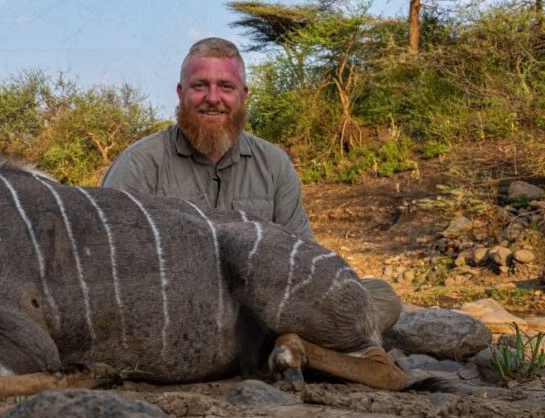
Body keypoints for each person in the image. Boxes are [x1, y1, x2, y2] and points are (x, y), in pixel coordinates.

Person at [102, 37, 400, 334]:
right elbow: (113, 266)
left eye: (226, 87)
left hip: (264, 305)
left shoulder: (274, 163)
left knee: (379, 295)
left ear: (243, 96)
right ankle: (290, 345)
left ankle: (286, 343)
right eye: (200, 86)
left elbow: (305, 256)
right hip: (178, 311)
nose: (213, 97)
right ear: (181, 93)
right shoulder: (139, 163)